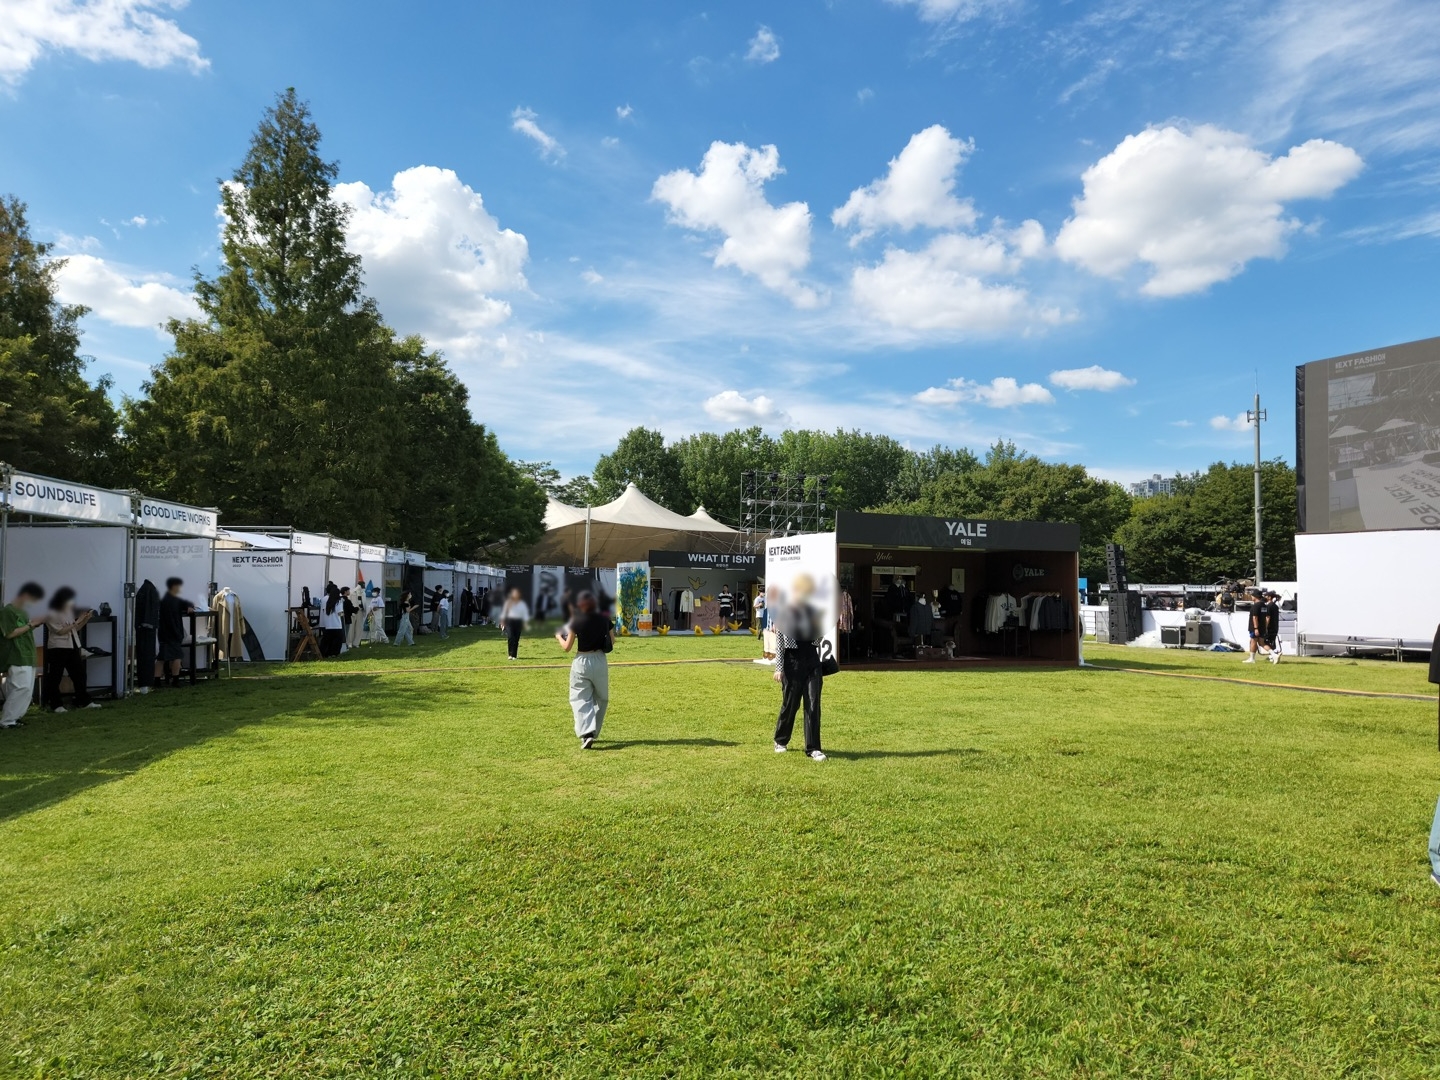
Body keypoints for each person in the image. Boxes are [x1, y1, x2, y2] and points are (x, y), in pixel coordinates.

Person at [772, 574, 827, 761]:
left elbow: (820, 637)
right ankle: (780, 740)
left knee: (813, 703)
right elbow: (779, 643)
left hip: (812, 660)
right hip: (792, 662)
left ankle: (813, 748)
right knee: (791, 704)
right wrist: (779, 668)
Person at [556, 590, 613, 749]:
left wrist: (559, 636)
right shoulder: (604, 618)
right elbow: (612, 641)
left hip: (582, 660)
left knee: (580, 698)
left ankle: (587, 732)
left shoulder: (576, 621)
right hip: (600, 660)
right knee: (602, 698)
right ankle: (593, 731)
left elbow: (567, 647)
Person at [41, 587, 98, 713]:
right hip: (58, 648)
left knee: (80, 674)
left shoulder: (67, 612)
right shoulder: (50, 613)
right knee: (56, 676)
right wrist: (78, 621)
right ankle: (55, 704)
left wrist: (85, 619)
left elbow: (74, 629)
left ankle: (83, 701)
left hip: (72, 646)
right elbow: (60, 631)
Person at [0, 582, 45, 728]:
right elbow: (9, 633)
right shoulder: (7, 611)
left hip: (27, 654)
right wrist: (32, 625)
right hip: (16, 654)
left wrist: (34, 623)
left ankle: (15, 717)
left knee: (26, 690)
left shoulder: (23, 612)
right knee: (20, 688)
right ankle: (7, 720)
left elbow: (24, 630)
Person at [159, 577, 194, 686]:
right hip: (173, 633)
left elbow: (187, 602)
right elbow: (186, 603)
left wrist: (189, 605)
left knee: (161, 658)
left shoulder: (164, 599)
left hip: (163, 633)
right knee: (177, 657)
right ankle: (175, 680)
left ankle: (156, 681)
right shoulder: (175, 600)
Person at [500, 588, 529, 661]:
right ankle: (510, 654)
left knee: (516, 639)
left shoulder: (521, 604)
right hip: (509, 621)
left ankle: (514, 655)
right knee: (510, 637)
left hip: (518, 622)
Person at [319, 583, 344, 658]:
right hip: (336, 625)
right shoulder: (338, 602)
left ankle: (327, 654)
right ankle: (335, 653)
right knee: (337, 641)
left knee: (328, 640)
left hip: (328, 625)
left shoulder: (327, 602)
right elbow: (340, 613)